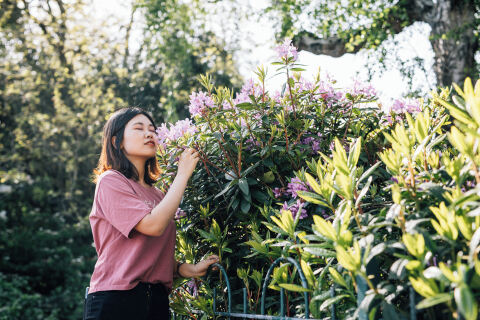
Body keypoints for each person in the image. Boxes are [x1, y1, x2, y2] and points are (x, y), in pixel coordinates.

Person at [84, 107, 219, 320]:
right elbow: (153, 226)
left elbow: (146, 253)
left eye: (152, 130)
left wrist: (187, 269)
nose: (149, 134)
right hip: (116, 299)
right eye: (138, 128)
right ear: (116, 142)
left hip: (155, 300)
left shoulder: (157, 195)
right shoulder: (111, 181)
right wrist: (182, 174)